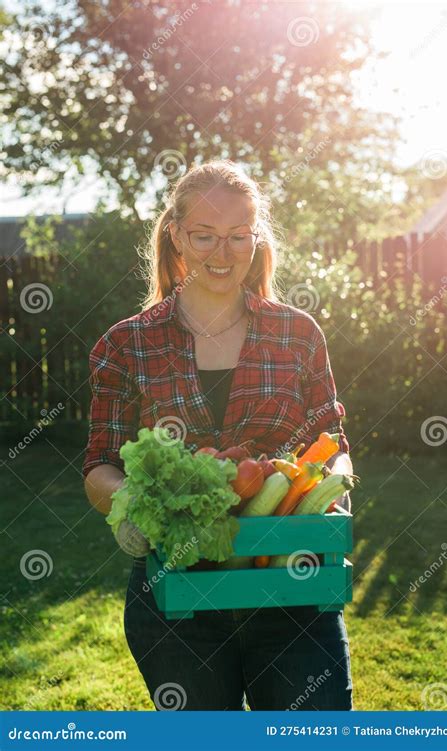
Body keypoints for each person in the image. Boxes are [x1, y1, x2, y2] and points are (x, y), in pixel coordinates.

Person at [82, 159, 353, 711]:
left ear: (257, 238)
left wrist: (327, 496)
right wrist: (131, 503)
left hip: (291, 589)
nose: (221, 253)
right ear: (177, 235)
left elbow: (335, 445)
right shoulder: (126, 345)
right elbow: (100, 464)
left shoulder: (297, 334)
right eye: (204, 235)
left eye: (237, 237)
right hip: (179, 599)